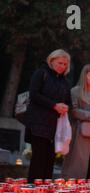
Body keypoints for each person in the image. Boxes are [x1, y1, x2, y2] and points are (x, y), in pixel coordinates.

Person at [25, 49, 72, 183]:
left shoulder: (64, 82)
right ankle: (33, 191)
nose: (62, 66)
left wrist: (66, 107)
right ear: (51, 61)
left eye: (65, 64)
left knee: (49, 161)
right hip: (38, 124)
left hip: (54, 127)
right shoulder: (41, 73)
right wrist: (54, 105)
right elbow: (34, 94)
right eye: (60, 63)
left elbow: (68, 101)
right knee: (38, 160)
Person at [62, 64, 90, 179]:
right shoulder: (75, 91)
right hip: (81, 134)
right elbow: (74, 111)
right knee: (79, 164)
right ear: (84, 76)